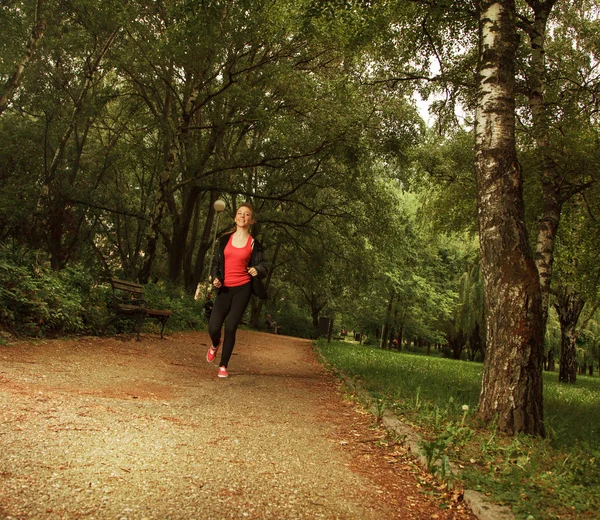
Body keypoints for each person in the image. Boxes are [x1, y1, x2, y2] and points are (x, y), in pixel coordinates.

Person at [206, 202, 267, 378]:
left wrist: (258, 270)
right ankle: (215, 344)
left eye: (247, 214)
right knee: (213, 327)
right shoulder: (224, 240)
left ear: (251, 220)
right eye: (240, 213)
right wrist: (215, 278)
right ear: (235, 217)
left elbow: (263, 265)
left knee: (231, 326)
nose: (243, 216)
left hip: (243, 288)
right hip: (225, 288)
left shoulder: (254, 244)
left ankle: (223, 365)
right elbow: (216, 264)